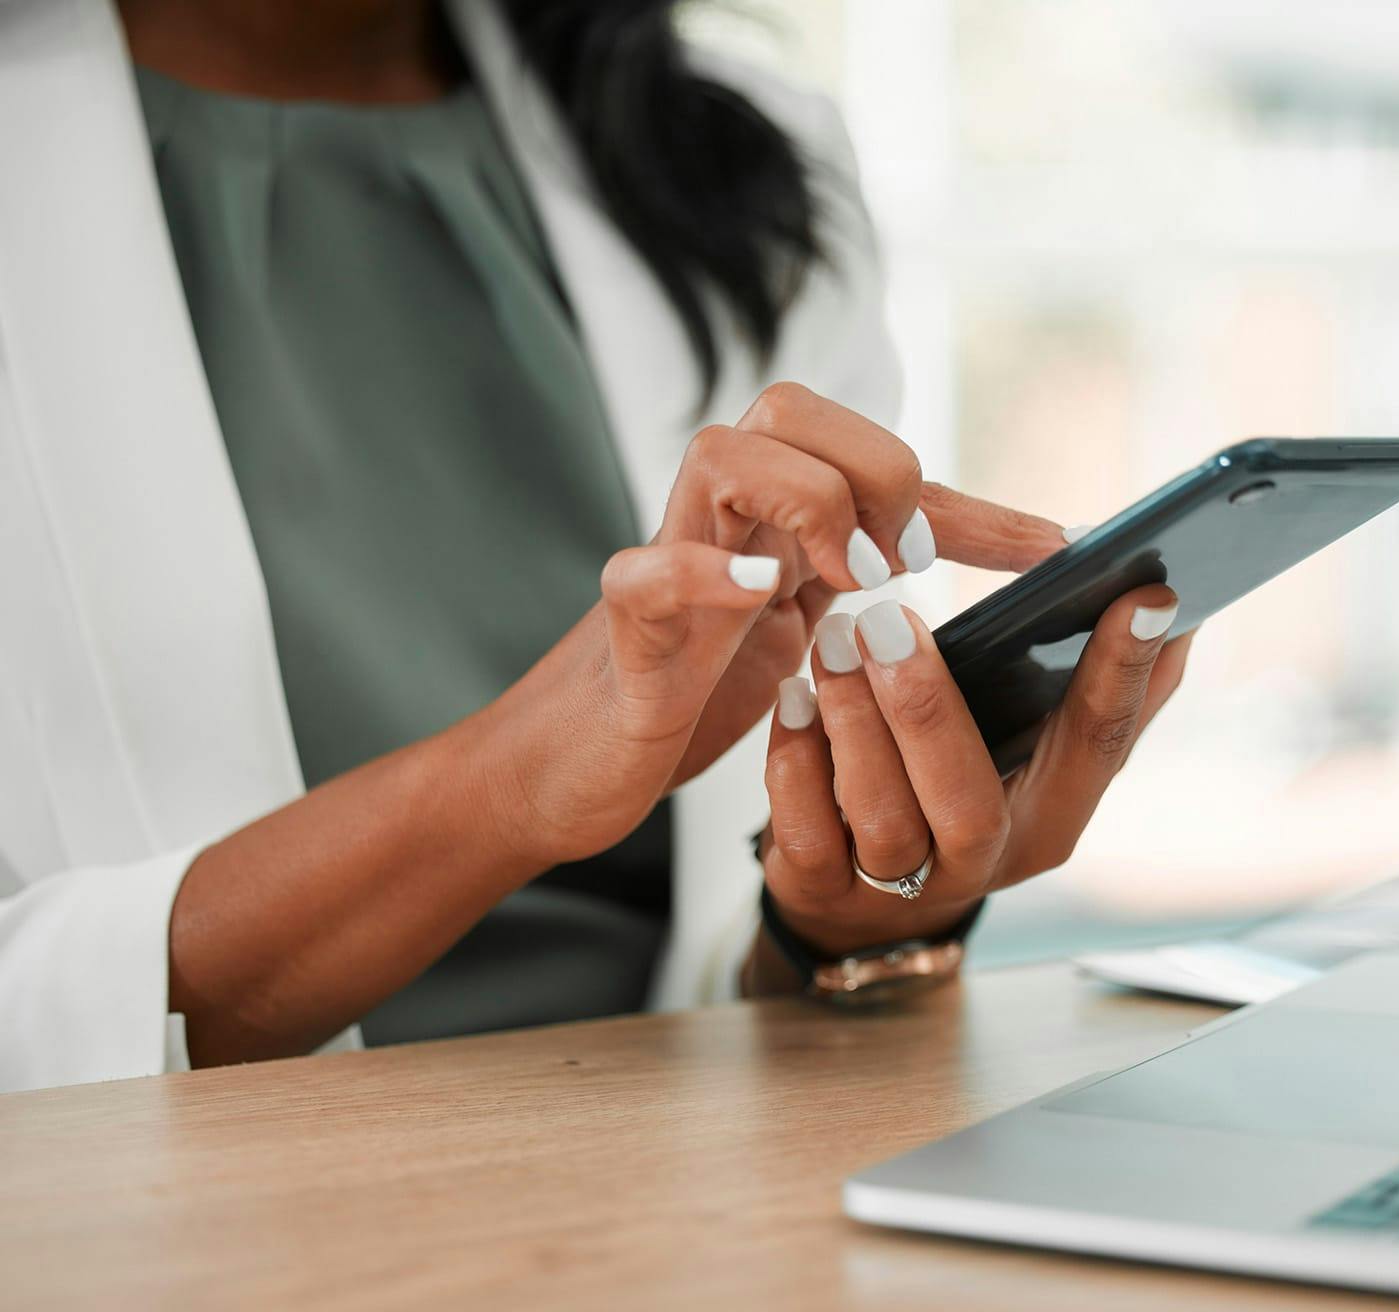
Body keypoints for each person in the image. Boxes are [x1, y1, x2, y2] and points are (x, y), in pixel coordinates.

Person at [0, 0, 1190, 1093]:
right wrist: (510, 785)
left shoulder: (745, 154)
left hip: (658, 1181)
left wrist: (860, 914)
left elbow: (745, 986)